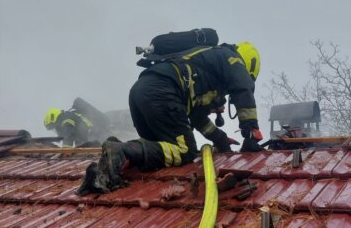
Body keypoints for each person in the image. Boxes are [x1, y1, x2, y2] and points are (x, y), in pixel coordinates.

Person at [79, 41, 262, 195]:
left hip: (140, 91)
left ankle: (101, 172)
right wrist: (251, 133)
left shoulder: (208, 63)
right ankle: (122, 150)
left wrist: (220, 139)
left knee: (156, 150)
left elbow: (197, 117)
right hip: (162, 92)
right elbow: (243, 89)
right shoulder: (232, 58)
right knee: (186, 150)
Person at [43, 97, 110, 146]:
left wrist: (65, 153)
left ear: (55, 120)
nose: (56, 130)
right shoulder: (73, 116)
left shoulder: (66, 120)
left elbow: (68, 137)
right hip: (96, 137)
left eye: (54, 127)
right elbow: (78, 136)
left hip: (96, 137)